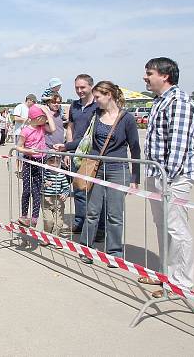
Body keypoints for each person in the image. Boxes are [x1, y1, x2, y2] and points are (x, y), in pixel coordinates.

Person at [56, 81, 140, 267]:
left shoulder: (127, 119)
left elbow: (135, 148)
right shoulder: (96, 115)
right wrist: (67, 146)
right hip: (96, 168)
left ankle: (114, 253)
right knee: (92, 212)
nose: (96, 101)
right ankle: (85, 248)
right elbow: (85, 140)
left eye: (98, 97)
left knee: (115, 214)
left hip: (118, 170)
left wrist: (135, 177)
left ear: (109, 95)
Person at [140, 57, 194, 298]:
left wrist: (167, 179)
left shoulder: (179, 102)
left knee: (177, 230)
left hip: (172, 178)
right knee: (162, 227)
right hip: (157, 175)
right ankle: (166, 274)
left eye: (149, 73)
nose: (145, 77)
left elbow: (178, 146)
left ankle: (181, 283)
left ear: (165, 76)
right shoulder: (159, 102)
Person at [65, 74, 100, 234]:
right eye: (77, 88)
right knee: (79, 189)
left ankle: (98, 227)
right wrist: (68, 150)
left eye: (83, 87)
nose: (80, 91)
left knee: (95, 192)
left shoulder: (98, 106)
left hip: (92, 153)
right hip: (76, 153)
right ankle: (80, 222)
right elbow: (70, 127)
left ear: (91, 87)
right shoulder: (74, 106)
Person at [15, 104, 55, 228]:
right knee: (27, 190)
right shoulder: (25, 130)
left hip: (40, 161)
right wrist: (28, 151)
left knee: (37, 191)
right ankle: (23, 215)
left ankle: (34, 218)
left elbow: (53, 129)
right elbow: (18, 146)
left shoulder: (42, 127)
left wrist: (47, 112)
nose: (46, 119)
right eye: (44, 117)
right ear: (37, 118)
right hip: (29, 161)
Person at [40, 154, 71, 247]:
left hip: (58, 201)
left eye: (57, 161)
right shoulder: (44, 173)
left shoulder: (61, 175)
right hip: (46, 199)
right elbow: (38, 185)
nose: (54, 164)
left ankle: (54, 238)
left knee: (59, 222)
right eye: (51, 161)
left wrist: (65, 194)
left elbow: (66, 188)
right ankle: (46, 236)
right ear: (46, 162)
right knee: (48, 221)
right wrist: (44, 184)